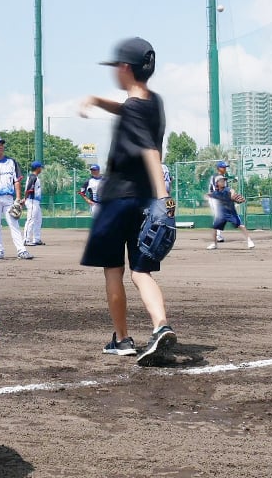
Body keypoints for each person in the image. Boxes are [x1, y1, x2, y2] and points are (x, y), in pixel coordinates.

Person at [78, 36, 176, 367]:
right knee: (142, 271)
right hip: (144, 201)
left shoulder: (133, 109)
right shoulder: (153, 102)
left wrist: (164, 196)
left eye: (116, 67)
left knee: (113, 272)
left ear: (124, 68)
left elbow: (149, 149)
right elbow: (127, 109)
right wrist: (97, 100)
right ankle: (161, 325)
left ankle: (122, 340)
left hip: (118, 198)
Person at [0, 138, 33, 260]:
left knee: (14, 223)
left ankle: (21, 250)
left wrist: (18, 198)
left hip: (9, 198)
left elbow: (17, 181)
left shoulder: (11, 162)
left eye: (2, 144)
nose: (0, 147)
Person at [205, 175, 255, 250]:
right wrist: (207, 197)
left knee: (241, 225)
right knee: (214, 228)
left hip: (231, 213)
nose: (223, 182)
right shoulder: (216, 193)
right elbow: (208, 195)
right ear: (217, 183)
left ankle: (249, 241)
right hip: (221, 214)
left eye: (224, 181)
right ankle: (214, 244)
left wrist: (233, 195)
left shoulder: (227, 189)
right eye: (221, 181)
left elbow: (232, 190)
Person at [23, 160, 45, 245]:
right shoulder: (33, 177)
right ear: (37, 168)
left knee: (38, 220)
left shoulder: (34, 177)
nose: (41, 169)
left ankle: (36, 239)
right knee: (31, 220)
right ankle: (26, 240)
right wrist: (24, 199)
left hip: (35, 202)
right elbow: (28, 189)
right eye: (40, 167)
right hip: (31, 201)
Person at [208, 161, 230, 243]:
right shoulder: (216, 177)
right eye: (223, 167)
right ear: (219, 168)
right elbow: (216, 190)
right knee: (218, 216)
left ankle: (218, 235)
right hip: (215, 199)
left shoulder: (223, 177)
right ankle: (217, 236)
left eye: (225, 167)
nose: (225, 169)